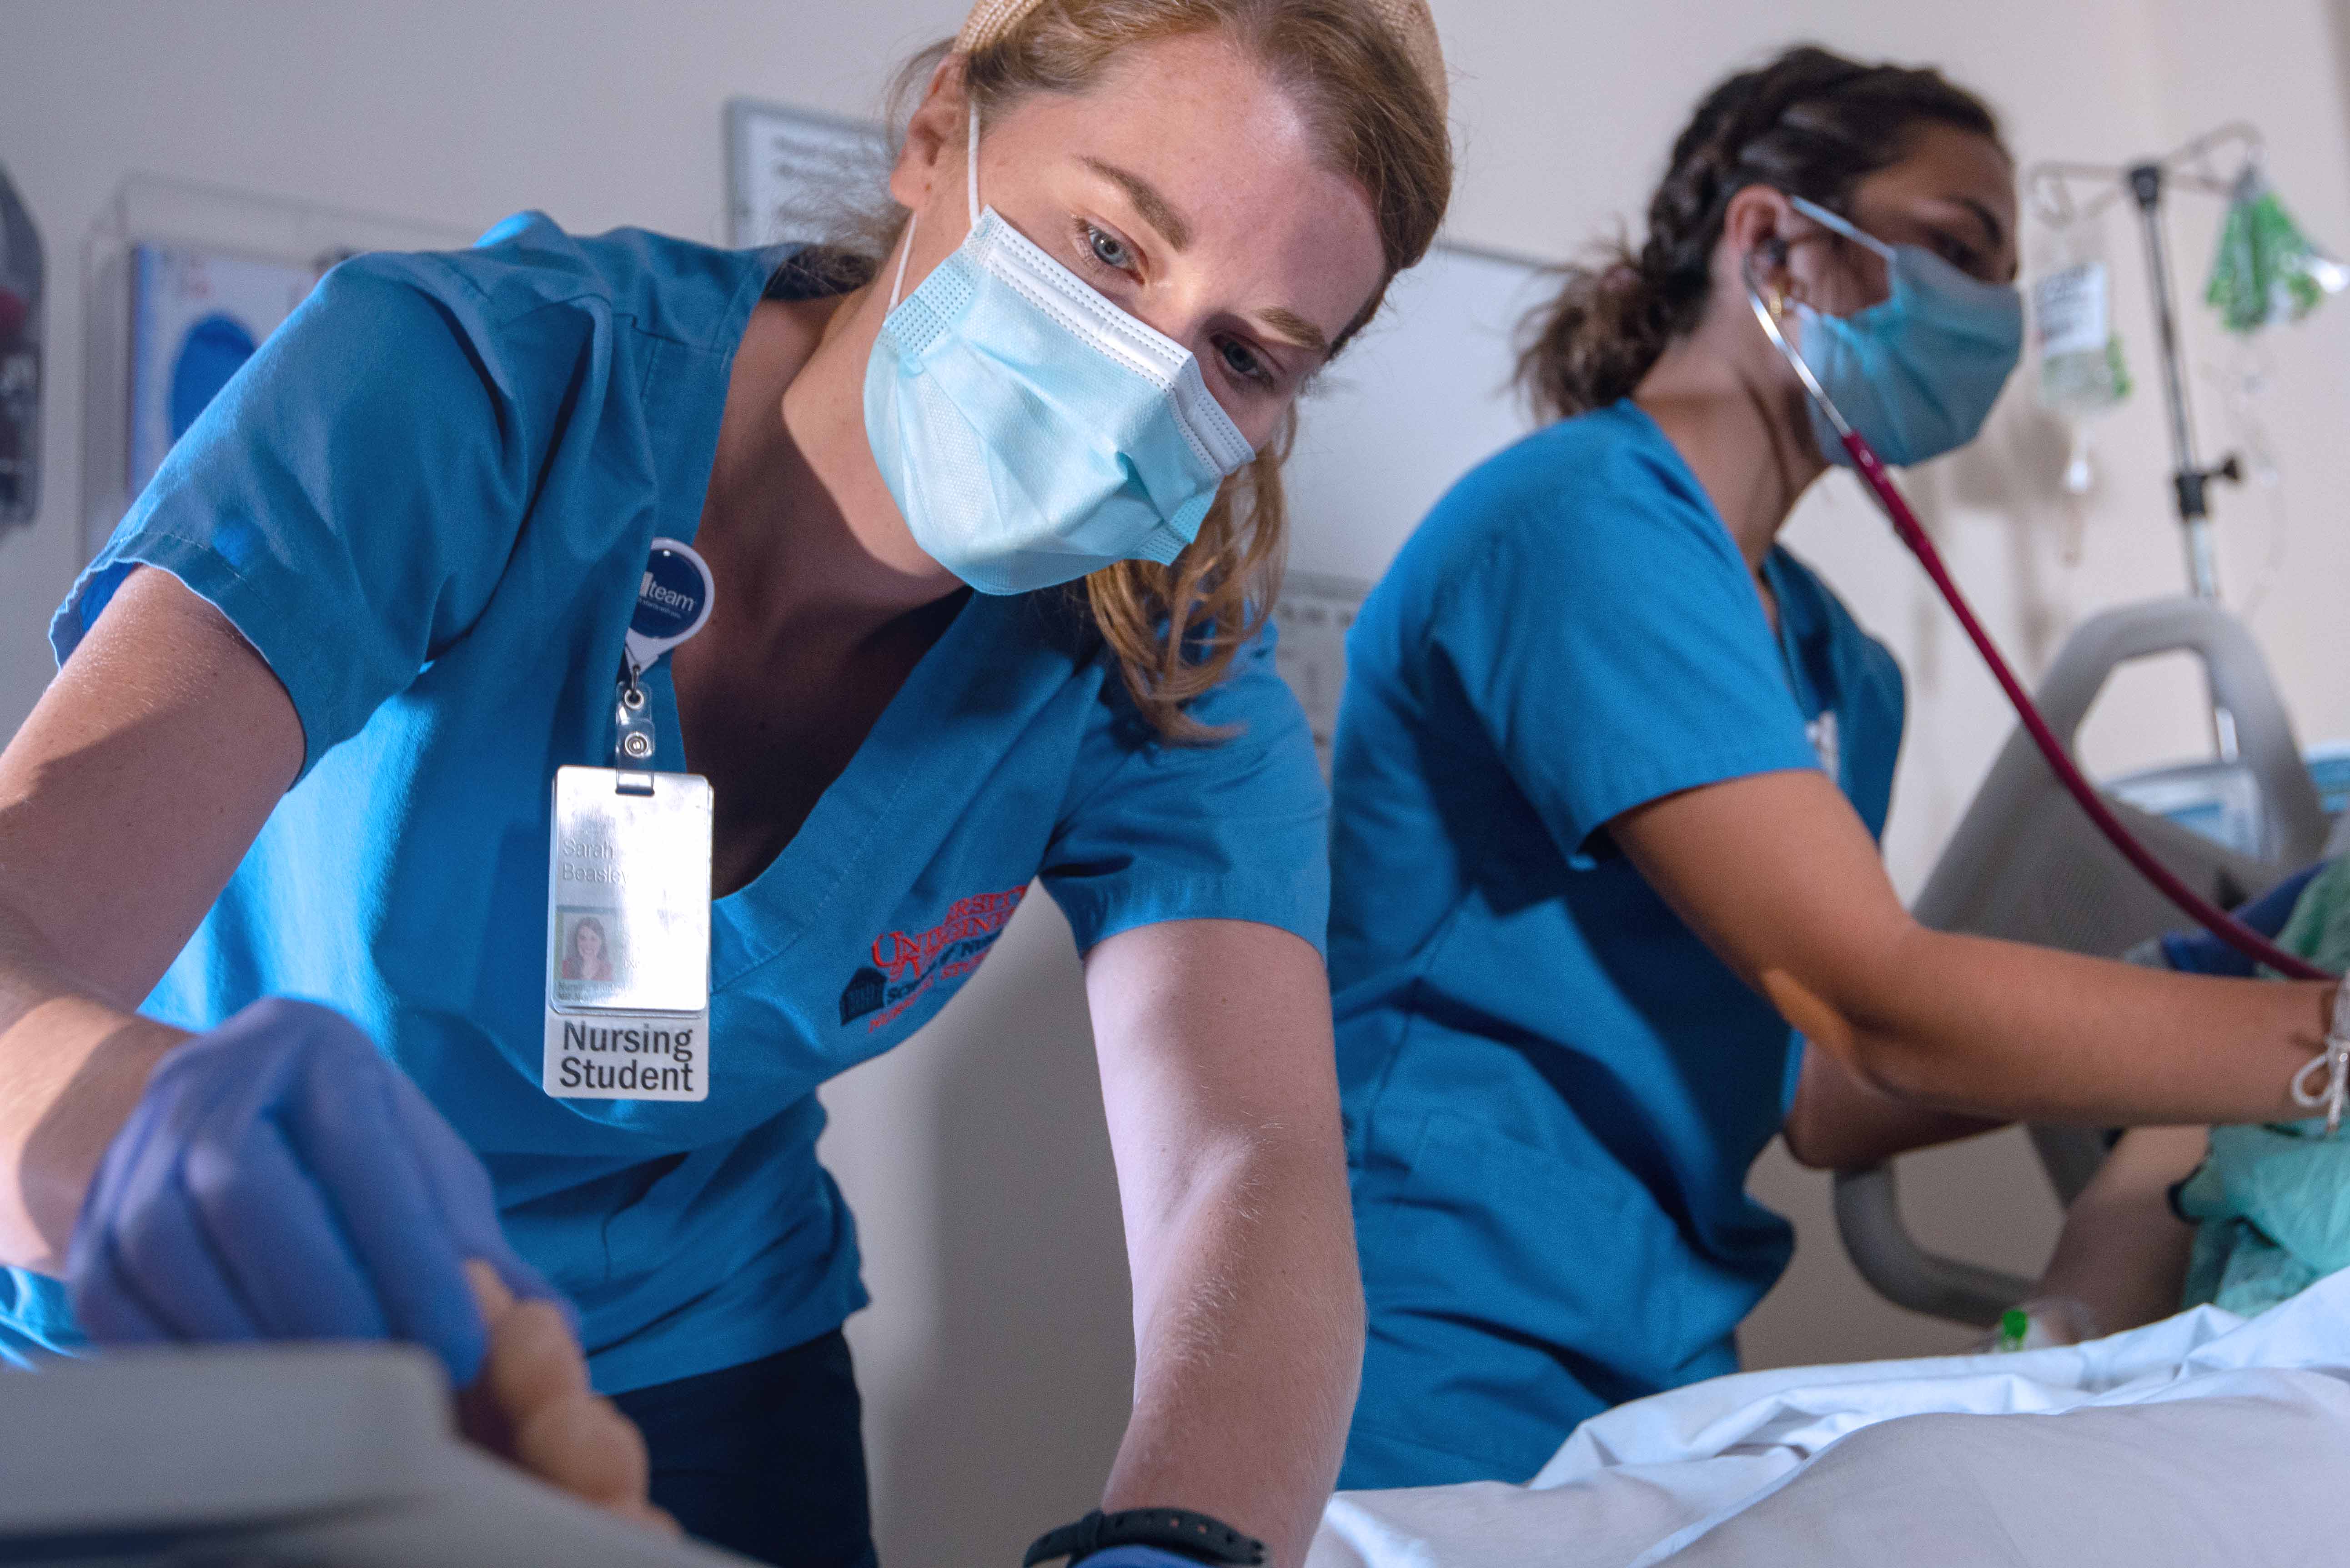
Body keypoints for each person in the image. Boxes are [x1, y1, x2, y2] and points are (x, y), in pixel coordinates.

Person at [0, 2, 1452, 1563]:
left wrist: (1186, 1540)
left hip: (698, 1359)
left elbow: (1249, 1163)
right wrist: (139, 1142)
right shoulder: (471, 389)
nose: (1138, 379)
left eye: (1242, 356)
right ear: (937, 130)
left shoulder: (1154, 658)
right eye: (1108, 247)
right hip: (195, 1301)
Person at [1326, 43, 2343, 1490]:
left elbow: (1823, 1090)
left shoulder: (1835, 664)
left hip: (1665, 1341)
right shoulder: (1573, 530)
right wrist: (2323, 1041)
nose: (1991, 316)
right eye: (1953, 249)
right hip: (1434, 1321)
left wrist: (2218, 971)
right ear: (1772, 240)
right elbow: (1880, 1007)